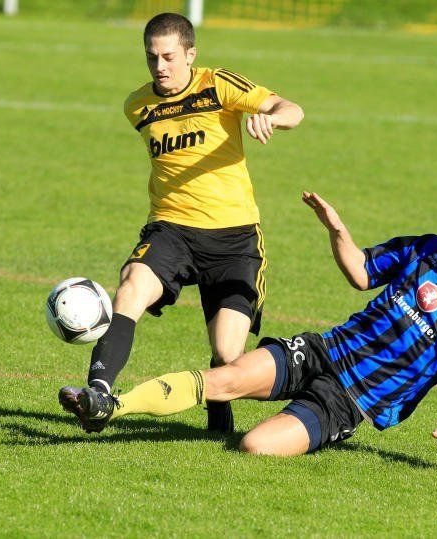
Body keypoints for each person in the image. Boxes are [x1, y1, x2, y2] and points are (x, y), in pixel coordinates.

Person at [67, 193, 437, 457]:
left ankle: (295, 424)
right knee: (226, 378)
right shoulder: (426, 249)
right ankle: (110, 406)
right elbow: (361, 272)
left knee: (254, 447)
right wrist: (336, 228)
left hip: (350, 400)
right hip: (324, 350)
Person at [58, 12, 304, 434]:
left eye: (169, 57)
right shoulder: (138, 106)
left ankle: (219, 408)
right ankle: (98, 394)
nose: (160, 66)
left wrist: (272, 117)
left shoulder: (218, 84)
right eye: (151, 57)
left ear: (191, 54)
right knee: (131, 286)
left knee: (227, 353)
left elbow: (292, 110)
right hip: (171, 229)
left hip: (234, 239)